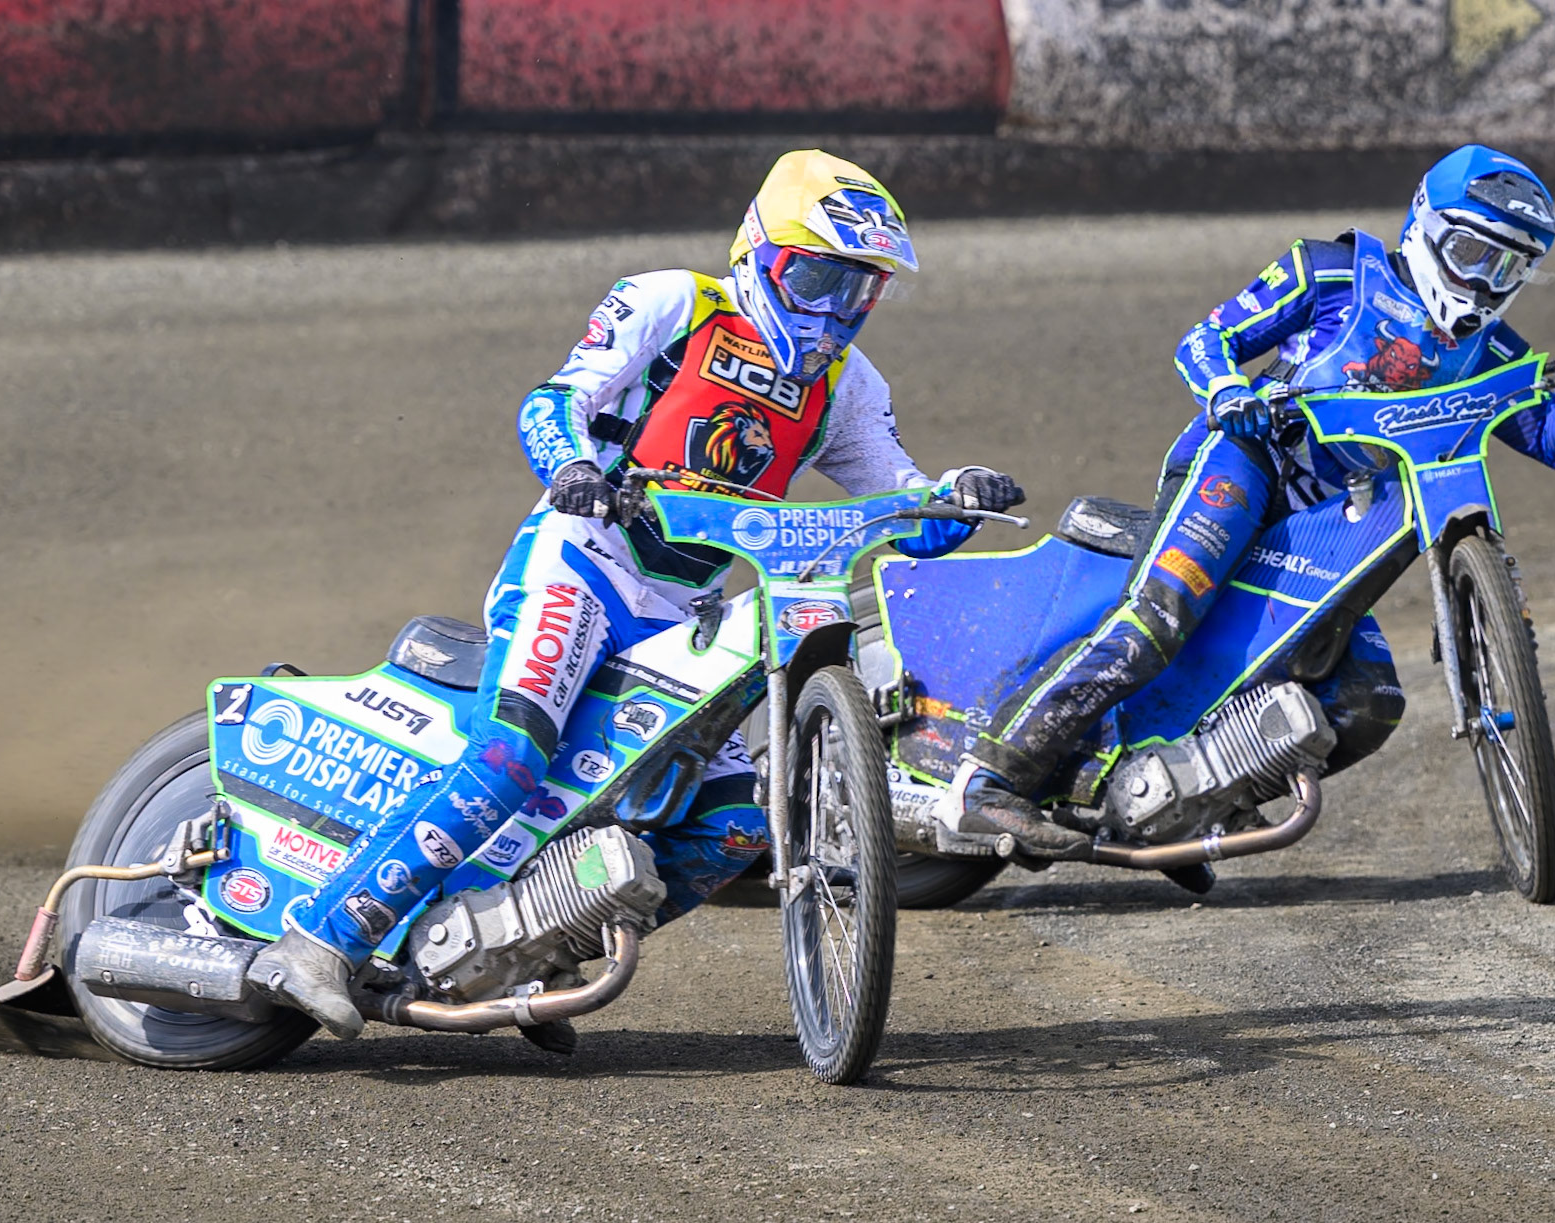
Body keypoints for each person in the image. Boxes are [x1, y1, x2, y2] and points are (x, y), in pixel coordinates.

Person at [247, 149, 1025, 1042]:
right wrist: (574, 467)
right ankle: (318, 941)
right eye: (816, 277)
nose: (834, 311)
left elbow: (901, 505)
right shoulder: (673, 303)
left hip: (681, 614)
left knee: (736, 825)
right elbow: (553, 400)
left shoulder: (848, 387)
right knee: (509, 757)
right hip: (581, 560)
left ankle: (526, 952)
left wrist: (957, 496)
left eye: (858, 291)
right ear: (763, 254)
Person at [943, 144, 1555, 860]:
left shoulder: (1493, 353)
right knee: (1161, 613)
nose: (1485, 283)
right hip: (1249, 462)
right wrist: (1227, 391)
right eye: (1470, 252)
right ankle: (990, 778)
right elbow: (1205, 340)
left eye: (1508, 267)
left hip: (1332, 530)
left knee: (1368, 702)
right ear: (1424, 224)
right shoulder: (1329, 271)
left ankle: (1190, 807)